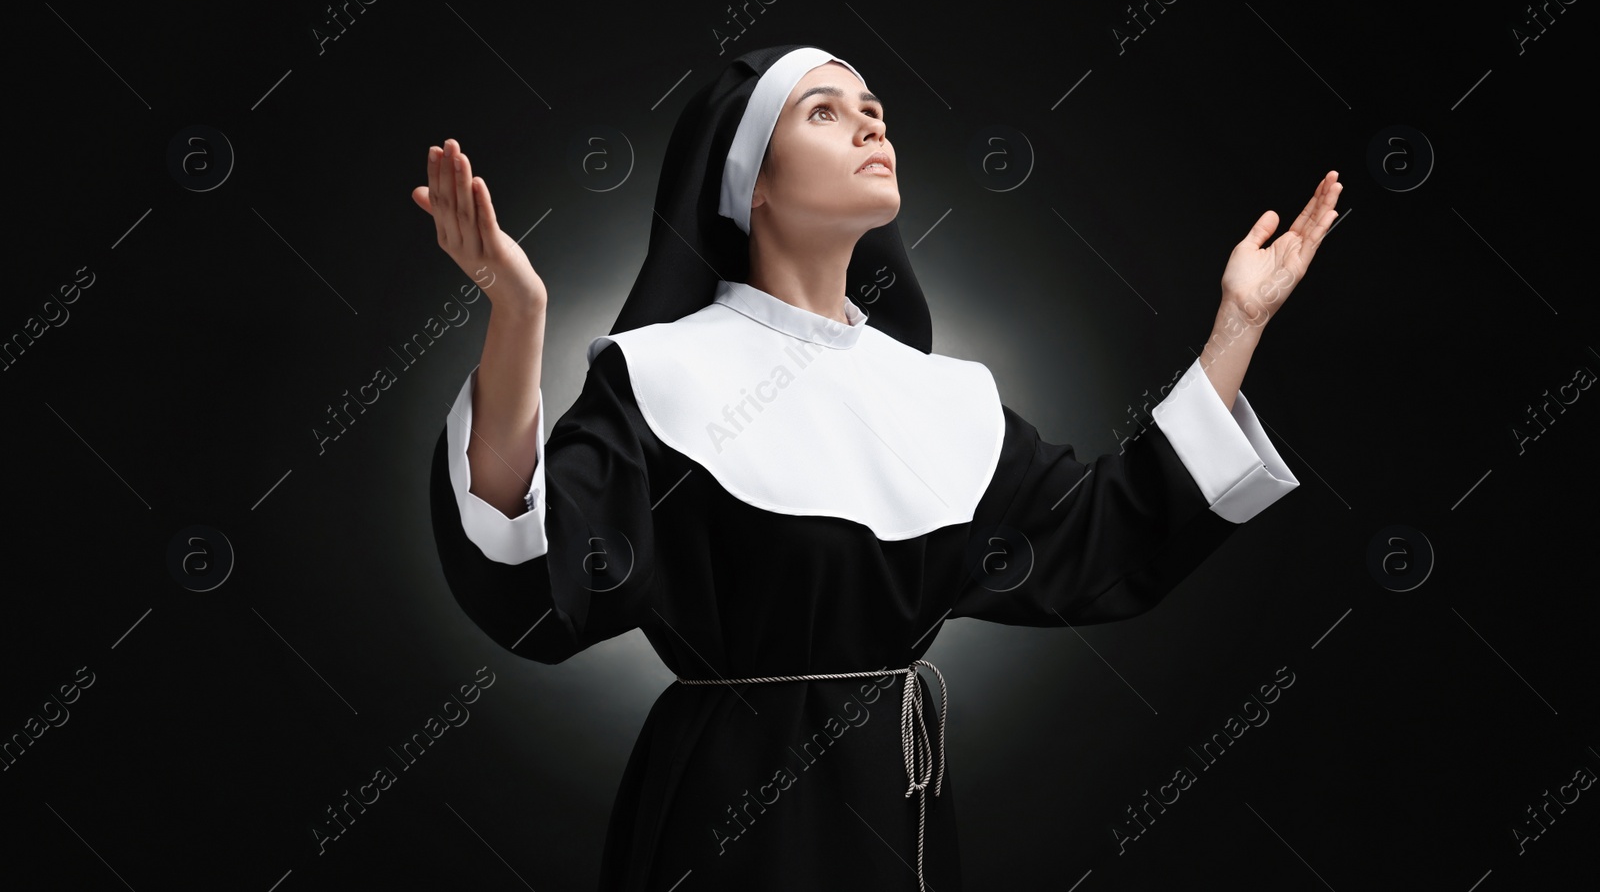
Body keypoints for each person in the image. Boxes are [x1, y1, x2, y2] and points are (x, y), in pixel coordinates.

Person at [410, 44, 1341, 890]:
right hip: (718, 817)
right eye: (824, 111)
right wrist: (516, 316)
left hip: (898, 812)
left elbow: (1106, 535)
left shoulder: (943, 397)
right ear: (752, 186)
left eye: (874, 108)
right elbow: (538, 584)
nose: (869, 122)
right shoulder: (658, 374)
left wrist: (1237, 326)